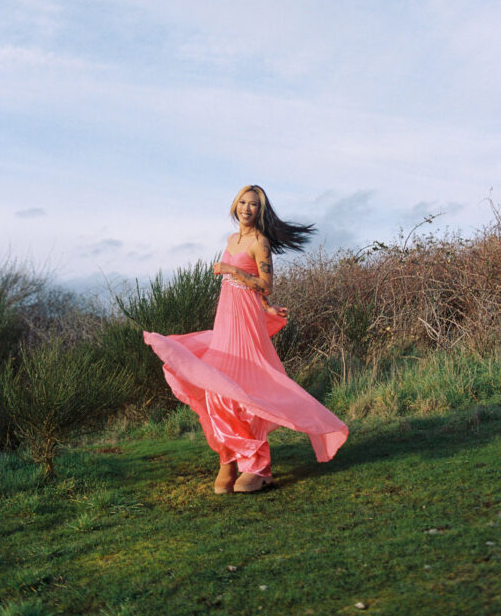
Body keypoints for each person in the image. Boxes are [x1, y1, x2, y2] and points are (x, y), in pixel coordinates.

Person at [143, 185, 348, 494]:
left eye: (253, 204)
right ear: (234, 205)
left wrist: (232, 271)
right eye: (242, 202)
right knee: (217, 388)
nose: (246, 208)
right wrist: (269, 307)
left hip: (245, 324)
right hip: (226, 318)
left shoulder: (260, 242)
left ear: (260, 211)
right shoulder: (231, 240)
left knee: (245, 390)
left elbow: (265, 284)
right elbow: (258, 292)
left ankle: (258, 468)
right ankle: (228, 459)